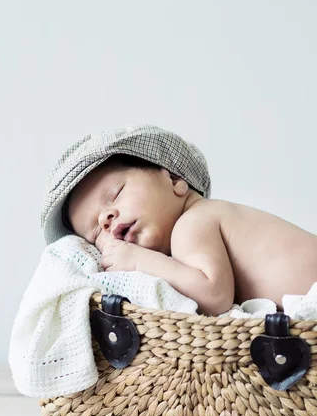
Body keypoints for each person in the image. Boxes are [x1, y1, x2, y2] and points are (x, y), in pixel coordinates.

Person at [41, 125, 317, 316]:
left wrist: (140, 261)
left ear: (175, 180)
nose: (106, 219)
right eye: (94, 232)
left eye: (116, 194)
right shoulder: (190, 244)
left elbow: (215, 296)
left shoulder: (193, 222)